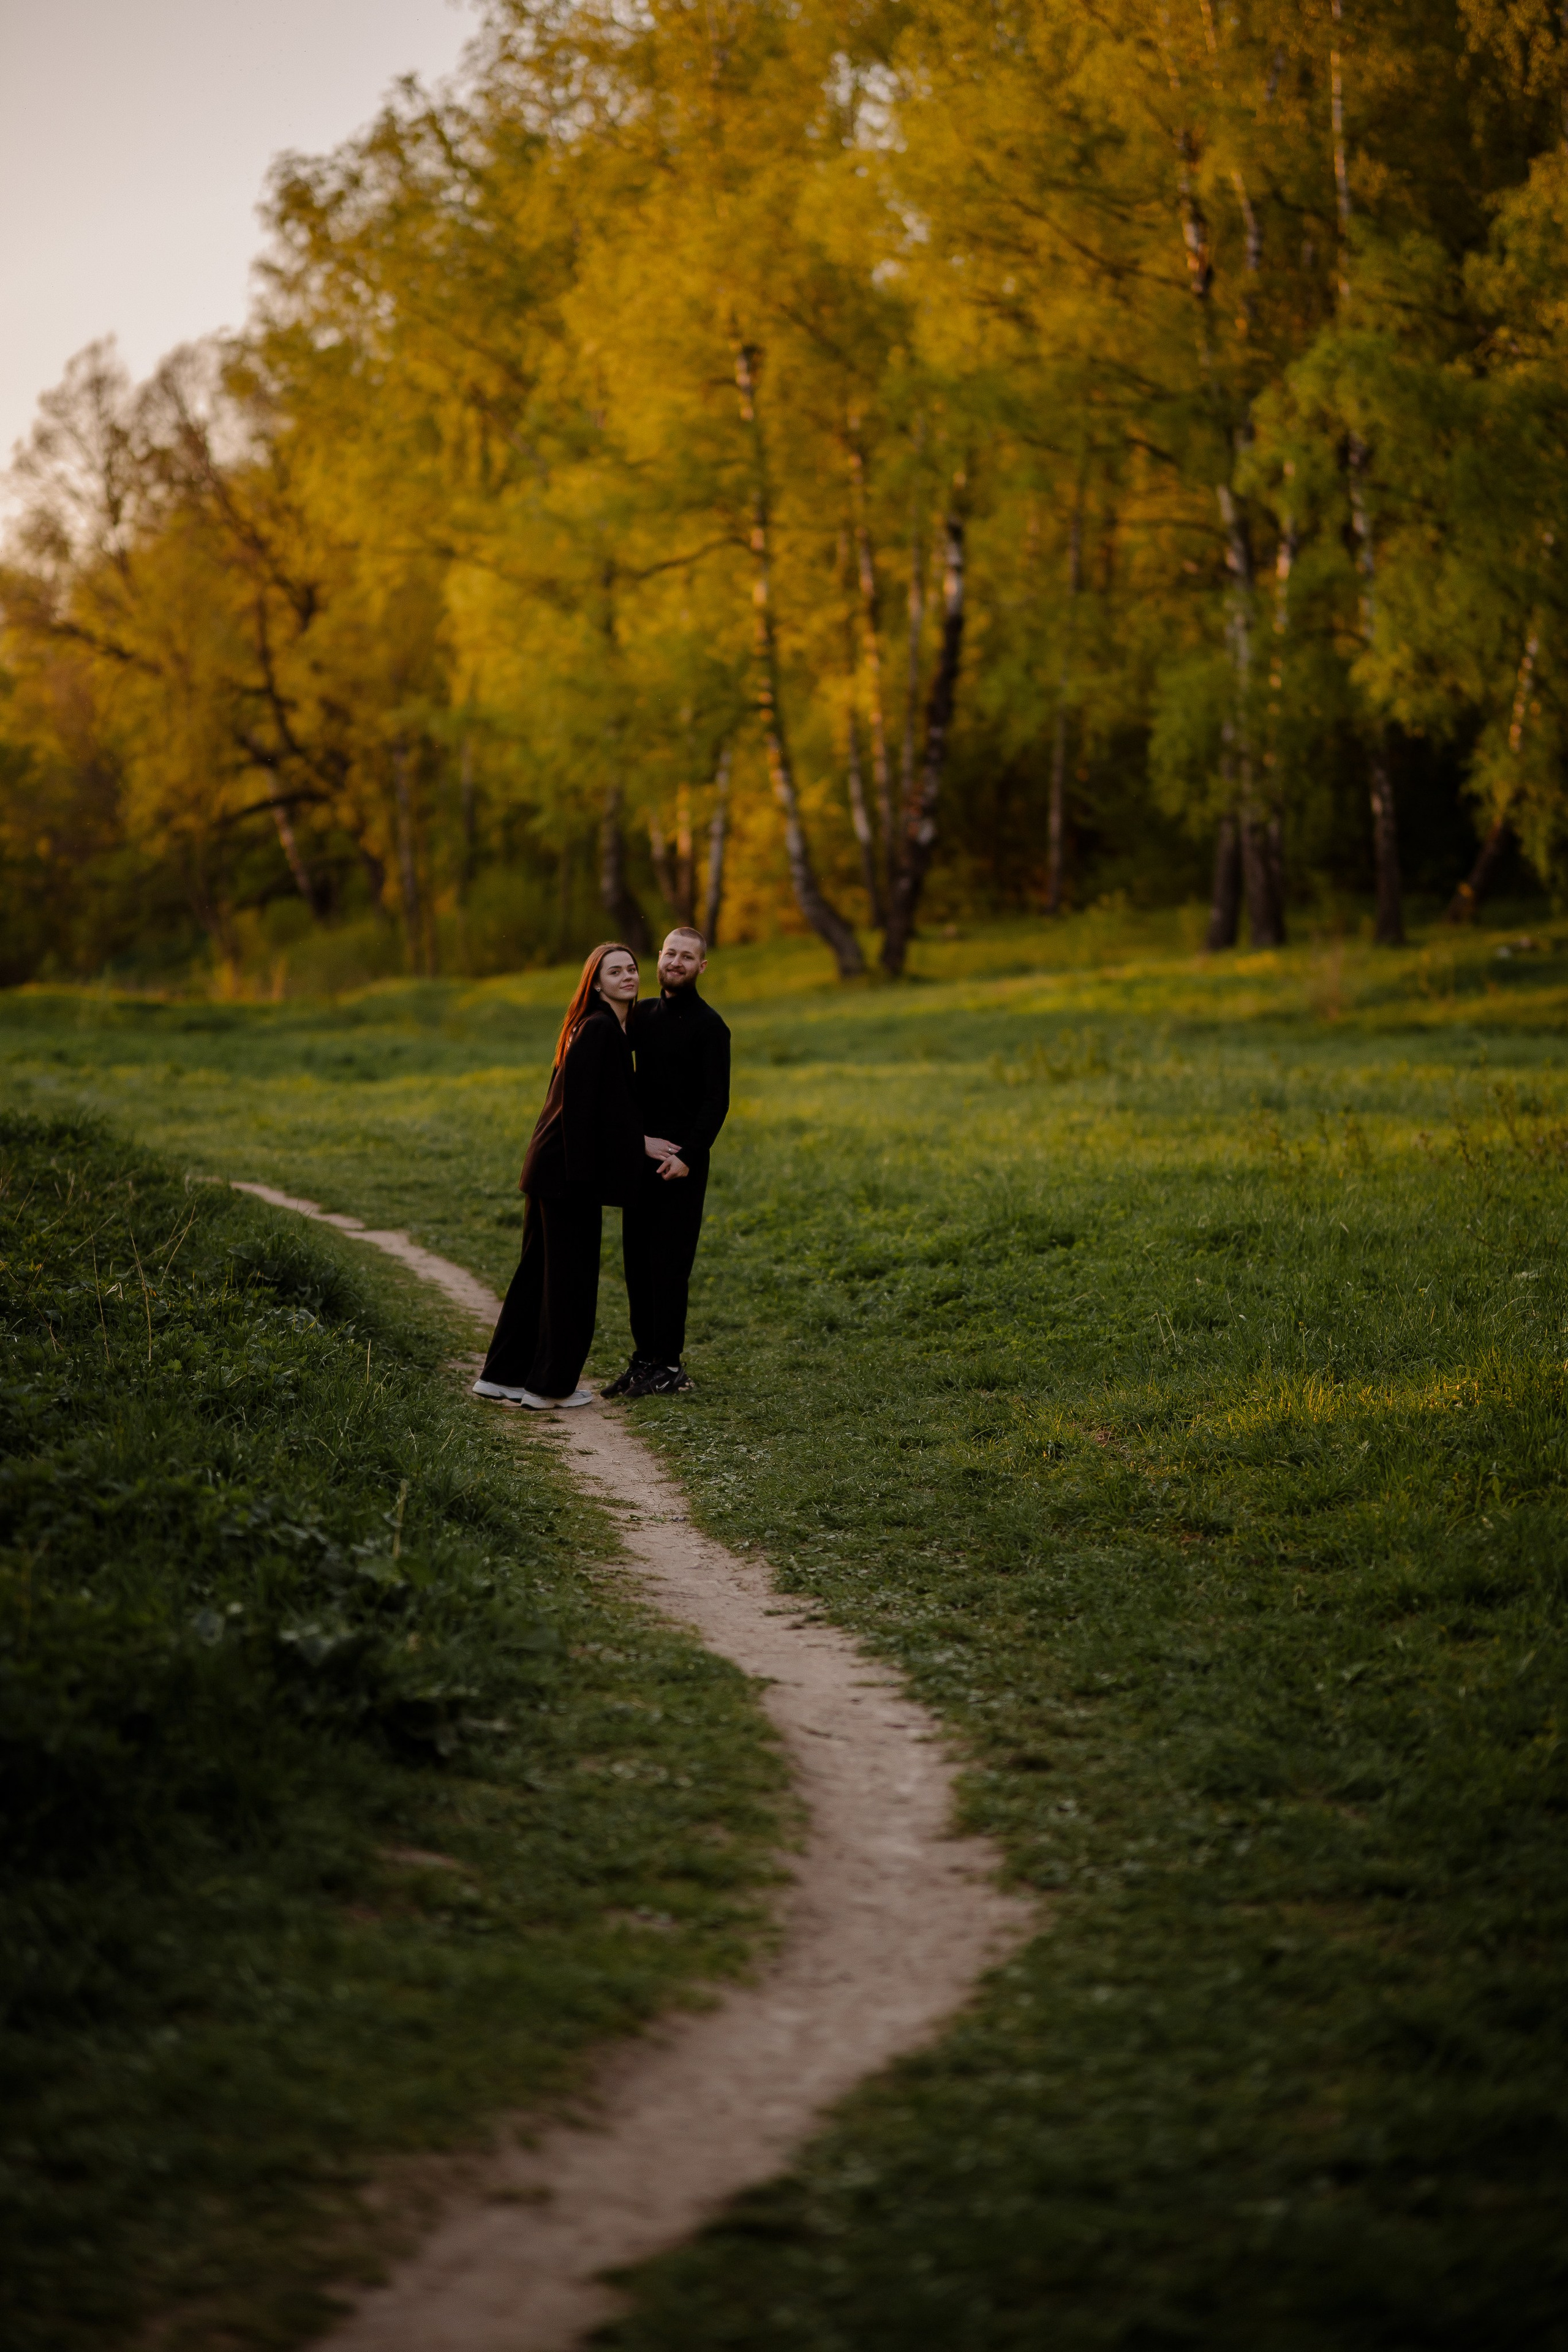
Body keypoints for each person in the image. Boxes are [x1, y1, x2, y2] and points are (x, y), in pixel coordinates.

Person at [473, 942, 646, 1411]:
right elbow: (586, 1113)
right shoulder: (600, 1030)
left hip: (549, 1168)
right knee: (569, 1282)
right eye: (616, 972)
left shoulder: (588, 1027)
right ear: (597, 982)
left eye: (631, 969)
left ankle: (501, 1376)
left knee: (537, 1276)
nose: (628, 976)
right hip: (569, 1175)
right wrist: (631, 1150)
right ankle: (549, 1388)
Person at [603, 925, 731, 1399]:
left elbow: (716, 1101)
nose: (676, 962)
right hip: (639, 1161)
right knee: (636, 1264)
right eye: (670, 953)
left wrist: (690, 1157)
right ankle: (644, 1361)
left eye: (687, 957)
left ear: (701, 967)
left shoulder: (710, 1026)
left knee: (669, 1266)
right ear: (659, 958)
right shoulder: (642, 1018)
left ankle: (670, 1365)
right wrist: (632, 1141)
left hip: (679, 1166)